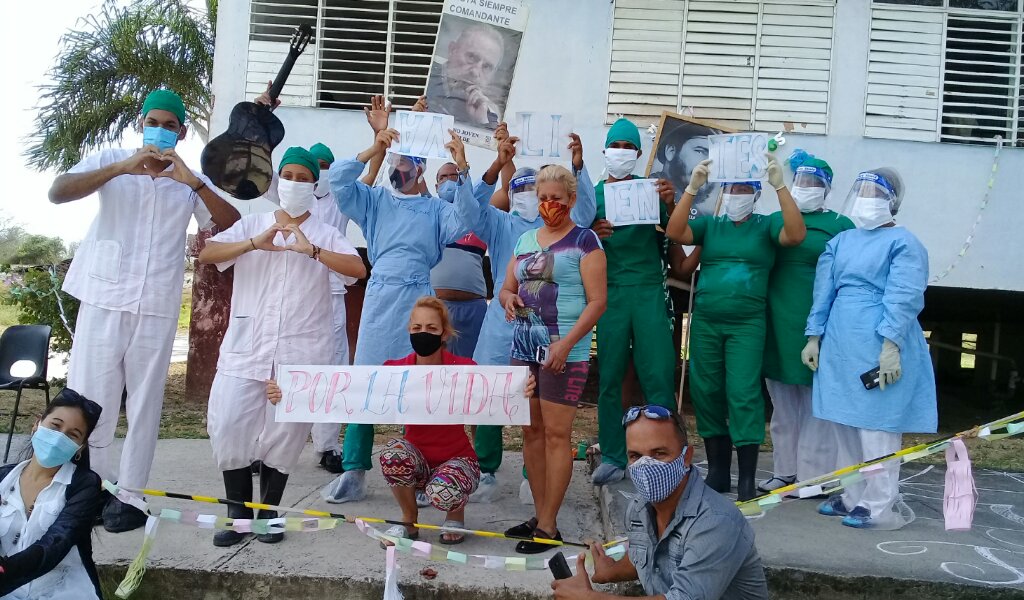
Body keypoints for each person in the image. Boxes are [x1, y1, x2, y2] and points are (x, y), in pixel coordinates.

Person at [47, 88, 241, 533]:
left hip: (155, 303)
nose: (162, 130)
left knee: (145, 402)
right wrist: (121, 167)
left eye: (171, 125)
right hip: (103, 296)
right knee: (89, 398)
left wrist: (192, 183)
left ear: (182, 132)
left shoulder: (187, 178)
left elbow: (230, 222)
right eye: (155, 122)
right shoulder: (111, 158)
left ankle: (129, 496)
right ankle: (89, 489)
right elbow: (58, 192)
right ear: (141, 124)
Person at [325, 126, 506, 504]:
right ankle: (354, 469)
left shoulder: (437, 209)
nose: (400, 166)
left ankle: (423, 467)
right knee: (367, 384)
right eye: (396, 159)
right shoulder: (374, 201)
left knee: (422, 385)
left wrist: (463, 166)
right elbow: (339, 182)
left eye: (408, 161)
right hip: (379, 298)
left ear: (420, 167)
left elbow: (469, 217)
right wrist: (373, 146)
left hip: (419, 299)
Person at [198, 147, 366, 547]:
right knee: (228, 423)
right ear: (277, 181)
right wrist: (254, 243)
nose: (294, 182)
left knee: (287, 432)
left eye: (303, 177)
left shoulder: (325, 233)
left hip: (301, 349)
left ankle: (269, 513)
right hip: (246, 347)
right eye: (287, 175)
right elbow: (207, 253)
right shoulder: (253, 224)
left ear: (314, 184)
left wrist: (313, 251)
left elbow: (358, 271)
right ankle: (237, 513)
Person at [665, 156, 806, 501]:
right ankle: (717, 472)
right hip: (708, 321)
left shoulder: (766, 225)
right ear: (723, 191)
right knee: (706, 390)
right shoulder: (712, 225)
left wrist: (780, 185)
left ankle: (745, 477)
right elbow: (675, 231)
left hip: (747, 323)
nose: (737, 194)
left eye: (745, 188)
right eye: (732, 188)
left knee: (742, 392)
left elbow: (796, 233)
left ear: (755, 194)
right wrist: (693, 188)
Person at [803, 168, 936, 529]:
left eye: (875, 194)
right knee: (843, 423)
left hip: (878, 342)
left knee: (876, 427)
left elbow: (904, 296)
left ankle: (878, 503)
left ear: (892, 201)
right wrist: (814, 336)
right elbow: (823, 290)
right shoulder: (842, 241)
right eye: (860, 191)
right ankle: (851, 495)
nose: (866, 200)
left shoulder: (905, 243)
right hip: (840, 341)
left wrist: (891, 344)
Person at [470, 131, 597, 503]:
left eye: (543, 194)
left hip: (552, 339)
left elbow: (586, 213)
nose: (537, 200)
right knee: (492, 397)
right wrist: (496, 163)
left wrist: (578, 165)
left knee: (543, 420)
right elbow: (468, 210)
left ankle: (534, 479)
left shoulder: (577, 236)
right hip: (503, 327)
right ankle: (486, 468)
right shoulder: (503, 225)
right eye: (525, 190)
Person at [550, 405, 768, 600]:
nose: (647, 466)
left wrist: (590, 599)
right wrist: (612, 570)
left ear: (686, 457)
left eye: (659, 453)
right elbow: (648, 557)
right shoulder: (638, 509)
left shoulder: (716, 522)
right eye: (635, 456)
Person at [499, 164, 606, 554]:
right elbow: (507, 287)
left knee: (558, 435)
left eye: (556, 199)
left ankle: (548, 526)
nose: (549, 205)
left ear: (571, 200)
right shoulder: (526, 238)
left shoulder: (586, 240)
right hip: (524, 347)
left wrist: (565, 345)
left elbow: (598, 302)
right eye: (543, 199)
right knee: (531, 431)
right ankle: (540, 514)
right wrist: (509, 298)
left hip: (565, 351)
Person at [589, 118, 680, 485]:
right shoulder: (592, 195)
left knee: (657, 371)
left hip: (647, 291)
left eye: (629, 148)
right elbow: (575, 240)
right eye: (617, 147)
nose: (622, 154)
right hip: (608, 292)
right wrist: (593, 232)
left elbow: (677, 231)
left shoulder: (651, 191)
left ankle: (666, 455)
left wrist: (673, 204)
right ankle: (613, 454)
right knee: (609, 375)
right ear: (606, 151)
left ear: (640, 155)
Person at [758, 157, 855, 494]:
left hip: (820, 319)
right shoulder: (775, 220)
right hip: (777, 317)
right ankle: (784, 471)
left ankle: (813, 478)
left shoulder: (841, 225)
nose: (807, 190)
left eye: (815, 184)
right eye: (801, 181)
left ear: (827, 188)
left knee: (817, 404)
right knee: (782, 402)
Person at [0, 389, 104, 599]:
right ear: (37, 424)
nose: (58, 438)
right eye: (55, 426)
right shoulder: (3, 478)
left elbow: (56, 543)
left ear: (80, 448)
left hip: (62, 590)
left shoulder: (85, 485)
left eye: (72, 435)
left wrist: (4, 572)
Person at [307, 141, 356, 474]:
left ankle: (327, 446)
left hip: (333, 290)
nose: (321, 171)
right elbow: (257, 174)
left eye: (328, 165)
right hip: (293, 293)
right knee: (277, 369)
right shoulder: (288, 193)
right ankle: (261, 447)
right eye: (317, 165)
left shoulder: (341, 199)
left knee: (333, 370)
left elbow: (364, 175)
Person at [430, 161, 490, 359]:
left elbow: (506, 189)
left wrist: (501, 159)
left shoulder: (479, 216)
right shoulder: (428, 214)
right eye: (442, 177)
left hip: (473, 308)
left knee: (470, 368)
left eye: (453, 176)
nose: (448, 181)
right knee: (434, 367)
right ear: (435, 186)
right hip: (437, 307)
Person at [425, 24, 504, 127]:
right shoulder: (425, 78)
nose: (475, 72)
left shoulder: (487, 112)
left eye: (487, 67)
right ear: (452, 50)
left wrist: (482, 123)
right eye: (471, 57)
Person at [650, 122, 717, 216]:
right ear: (670, 151)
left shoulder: (702, 215)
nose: (708, 162)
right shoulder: (647, 192)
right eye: (700, 151)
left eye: (714, 157)